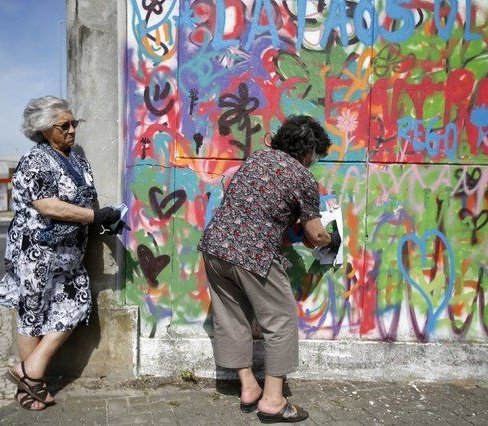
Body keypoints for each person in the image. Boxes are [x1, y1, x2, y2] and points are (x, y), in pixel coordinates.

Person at [198, 115, 340, 423]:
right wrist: (331, 237)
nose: (314, 161)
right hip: (252, 253)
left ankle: (248, 387)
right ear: (307, 151)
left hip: (215, 247)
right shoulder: (302, 177)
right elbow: (315, 235)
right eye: (315, 155)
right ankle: (273, 401)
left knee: (231, 317)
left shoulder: (256, 159)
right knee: (281, 319)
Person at [0, 96, 121, 411]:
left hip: (68, 254)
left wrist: (106, 221)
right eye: (63, 125)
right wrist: (96, 217)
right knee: (32, 316)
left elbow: (86, 196)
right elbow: (47, 205)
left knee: (78, 303)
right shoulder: (35, 159)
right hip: (35, 253)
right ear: (43, 129)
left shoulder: (77, 155)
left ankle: (28, 369)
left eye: (74, 124)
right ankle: (31, 387)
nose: (71, 131)